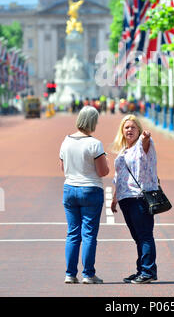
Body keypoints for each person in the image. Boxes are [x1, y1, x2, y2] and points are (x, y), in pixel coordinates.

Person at [59, 106, 109, 284]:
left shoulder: (66, 141)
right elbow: (103, 171)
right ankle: (88, 274)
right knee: (88, 234)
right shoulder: (95, 144)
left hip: (70, 188)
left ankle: (70, 274)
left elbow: (63, 168)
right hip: (90, 189)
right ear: (93, 122)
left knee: (73, 233)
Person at [111, 115, 158, 284]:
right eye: (126, 127)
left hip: (139, 197)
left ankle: (148, 271)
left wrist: (145, 137)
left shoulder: (142, 145)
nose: (129, 130)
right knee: (138, 236)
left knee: (145, 235)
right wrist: (115, 198)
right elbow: (118, 176)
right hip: (126, 198)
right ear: (122, 131)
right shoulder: (125, 150)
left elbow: (145, 142)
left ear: (138, 130)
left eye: (132, 127)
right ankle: (142, 270)